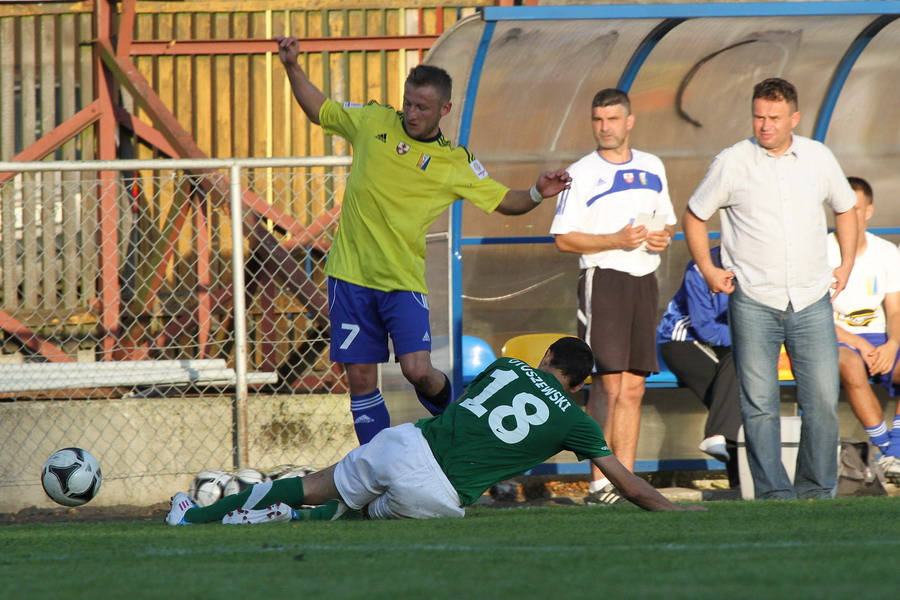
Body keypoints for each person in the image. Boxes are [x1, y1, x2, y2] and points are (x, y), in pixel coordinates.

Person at [275, 37, 572, 444]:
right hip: (350, 276)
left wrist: (537, 192)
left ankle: (462, 429)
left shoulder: (455, 162)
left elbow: (506, 201)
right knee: (361, 378)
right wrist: (293, 66)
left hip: (402, 282)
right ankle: (376, 471)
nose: (411, 114)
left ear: (444, 110)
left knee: (418, 370)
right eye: (408, 104)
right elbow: (320, 109)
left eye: (423, 107)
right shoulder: (373, 121)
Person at [166, 337, 705, 525]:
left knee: (315, 485)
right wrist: (676, 510)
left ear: (543, 358)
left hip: (410, 442)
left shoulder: (505, 366)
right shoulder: (577, 420)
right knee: (355, 515)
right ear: (580, 383)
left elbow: (468, 411)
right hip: (438, 495)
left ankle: (205, 513)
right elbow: (628, 485)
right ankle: (283, 516)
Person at [683, 77, 858, 500]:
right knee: (759, 405)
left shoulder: (818, 158)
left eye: (775, 118)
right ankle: (773, 493)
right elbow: (693, 214)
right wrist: (708, 269)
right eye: (759, 116)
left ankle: (817, 490)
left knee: (820, 401)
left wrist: (847, 264)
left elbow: (847, 207)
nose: (765, 125)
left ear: (793, 118)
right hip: (754, 301)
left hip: (812, 298)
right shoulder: (732, 161)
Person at [550, 88, 676, 504]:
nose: (605, 128)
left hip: (644, 280)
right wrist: (615, 240)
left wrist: (661, 239)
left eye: (612, 120)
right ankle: (602, 483)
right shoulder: (580, 172)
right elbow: (564, 239)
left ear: (629, 121)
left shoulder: (653, 165)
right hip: (603, 278)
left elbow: (668, 225)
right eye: (598, 120)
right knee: (607, 384)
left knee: (635, 387)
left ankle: (629, 483)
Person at [829, 177, 900, 481]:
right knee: (852, 366)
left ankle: (895, 451)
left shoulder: (886, 251)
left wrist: (893, 343)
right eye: (842, 209)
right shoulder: (819, 250)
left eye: (855, 209)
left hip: (880, 339)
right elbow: (814, 314)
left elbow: (896, 310)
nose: (849, 216)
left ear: (869, 211)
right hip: (836, 337)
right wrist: (856, 342)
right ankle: (888, 453)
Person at [657, 247, 742, 487]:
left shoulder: (762, 264)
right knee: (737, 393)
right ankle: (718, 439)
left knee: (738, 399)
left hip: (729, 346)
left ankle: (741, 482)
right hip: (682, 342)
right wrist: (751, 333)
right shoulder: (701, 267)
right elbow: (706, 329)